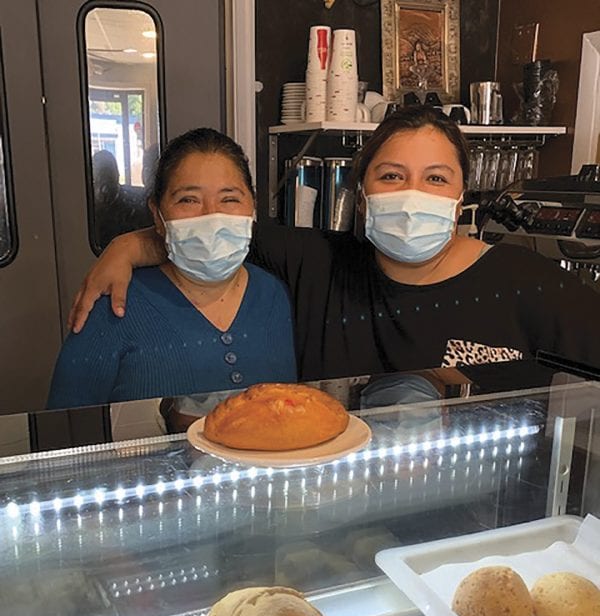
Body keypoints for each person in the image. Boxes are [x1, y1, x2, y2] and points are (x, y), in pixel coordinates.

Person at [69, 107, 600, 384]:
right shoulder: (318, 265)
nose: (413, 195)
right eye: (392, 176)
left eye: (435, 179)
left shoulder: (529, 283)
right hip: (344, 520)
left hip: (497, 520)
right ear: (363, 193)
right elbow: (213, 228)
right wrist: (129, 245)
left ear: (462, 195)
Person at [47, 129, 297, 409]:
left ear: (253, 207)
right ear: (157, 214)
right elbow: (65, 429)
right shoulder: (114, 306)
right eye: (188, 200)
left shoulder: (273, 294)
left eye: (229, 199)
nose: (211, 216)